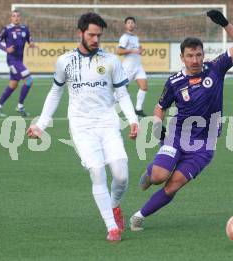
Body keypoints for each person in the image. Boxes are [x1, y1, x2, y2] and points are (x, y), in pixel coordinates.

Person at [129, 10, 233, 231]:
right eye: (190, 56)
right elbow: (160, 106)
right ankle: (149, 173)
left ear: (203, 55)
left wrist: (224, 23)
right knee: (159, 176)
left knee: (173, 185)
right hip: (177, 136)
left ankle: (139, 215)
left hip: (204, 145)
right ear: (182, 57)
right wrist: (156, 124)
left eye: (198, 55)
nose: (195, 60)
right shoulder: (174, 81)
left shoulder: (216, 68)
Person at [27, 12, 139, 242]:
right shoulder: (65, 61)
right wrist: (41, 125)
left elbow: (122, 93)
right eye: (91, 34)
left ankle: (114, 205)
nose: (96, 39)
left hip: (108, 123)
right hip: (81, 126)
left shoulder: (111, 61)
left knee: (121, 176)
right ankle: (112, 227)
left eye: (99, 35)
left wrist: (133, 120)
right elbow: (55, 92)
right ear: (80, 33)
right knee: (97, 171)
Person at [0, 10, 35, 117]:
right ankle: (20, 106)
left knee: (13, 84)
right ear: (10, 18)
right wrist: (5, 49)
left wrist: (31, 43)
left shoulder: (25, 28)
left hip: (19, 61)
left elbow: (29, 39)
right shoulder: (7, 29)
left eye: (18, 16)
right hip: (12, 61)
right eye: (14, 16)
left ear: (20, 18)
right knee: (29, 80)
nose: (16, 18)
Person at [117, 17, 148, 117]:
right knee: (122, 89)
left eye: (132, 23)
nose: (130, 24)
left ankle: (138, 109)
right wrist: (132, 50)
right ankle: (110, 106)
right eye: (128, 22)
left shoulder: (135, 37)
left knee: (144, 87)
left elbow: (137, 50)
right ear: (125, 25)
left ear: (134, 25)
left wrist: (140, 50)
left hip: (138, 67)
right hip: (128, 67)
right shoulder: (124, 37)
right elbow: (119, 51)